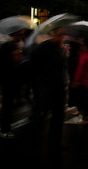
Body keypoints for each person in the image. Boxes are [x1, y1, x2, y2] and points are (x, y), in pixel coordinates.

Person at [29, 25, 68, 154]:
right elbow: (33, 60)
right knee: (42, 114)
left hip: (58, 87)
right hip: (47, 87)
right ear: (53, 34)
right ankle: (33, 140)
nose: (61, 37)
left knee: (58, 117)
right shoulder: (45, 47)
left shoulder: (59, 48)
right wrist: (39, 79)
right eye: (59, 34)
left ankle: (55, 143)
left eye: (63, 35)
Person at [0, 29, 26, 139]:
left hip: (4, 78)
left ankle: (5, 127)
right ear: (14, 34)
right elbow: (18, 60)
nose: (22, 36)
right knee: (8, 105)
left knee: (7, 104)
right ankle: (5, 129)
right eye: (20, 34)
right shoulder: (13, 47)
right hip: (10, 79)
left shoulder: (3, 46)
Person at [71, 38, 88, 123]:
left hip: (84, 81)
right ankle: (87, 115)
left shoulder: (84, 56)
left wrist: (76, 81)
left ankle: (86, 117)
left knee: (84, 99)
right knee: (87, 99)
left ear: (85, 46)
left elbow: (80, 69)